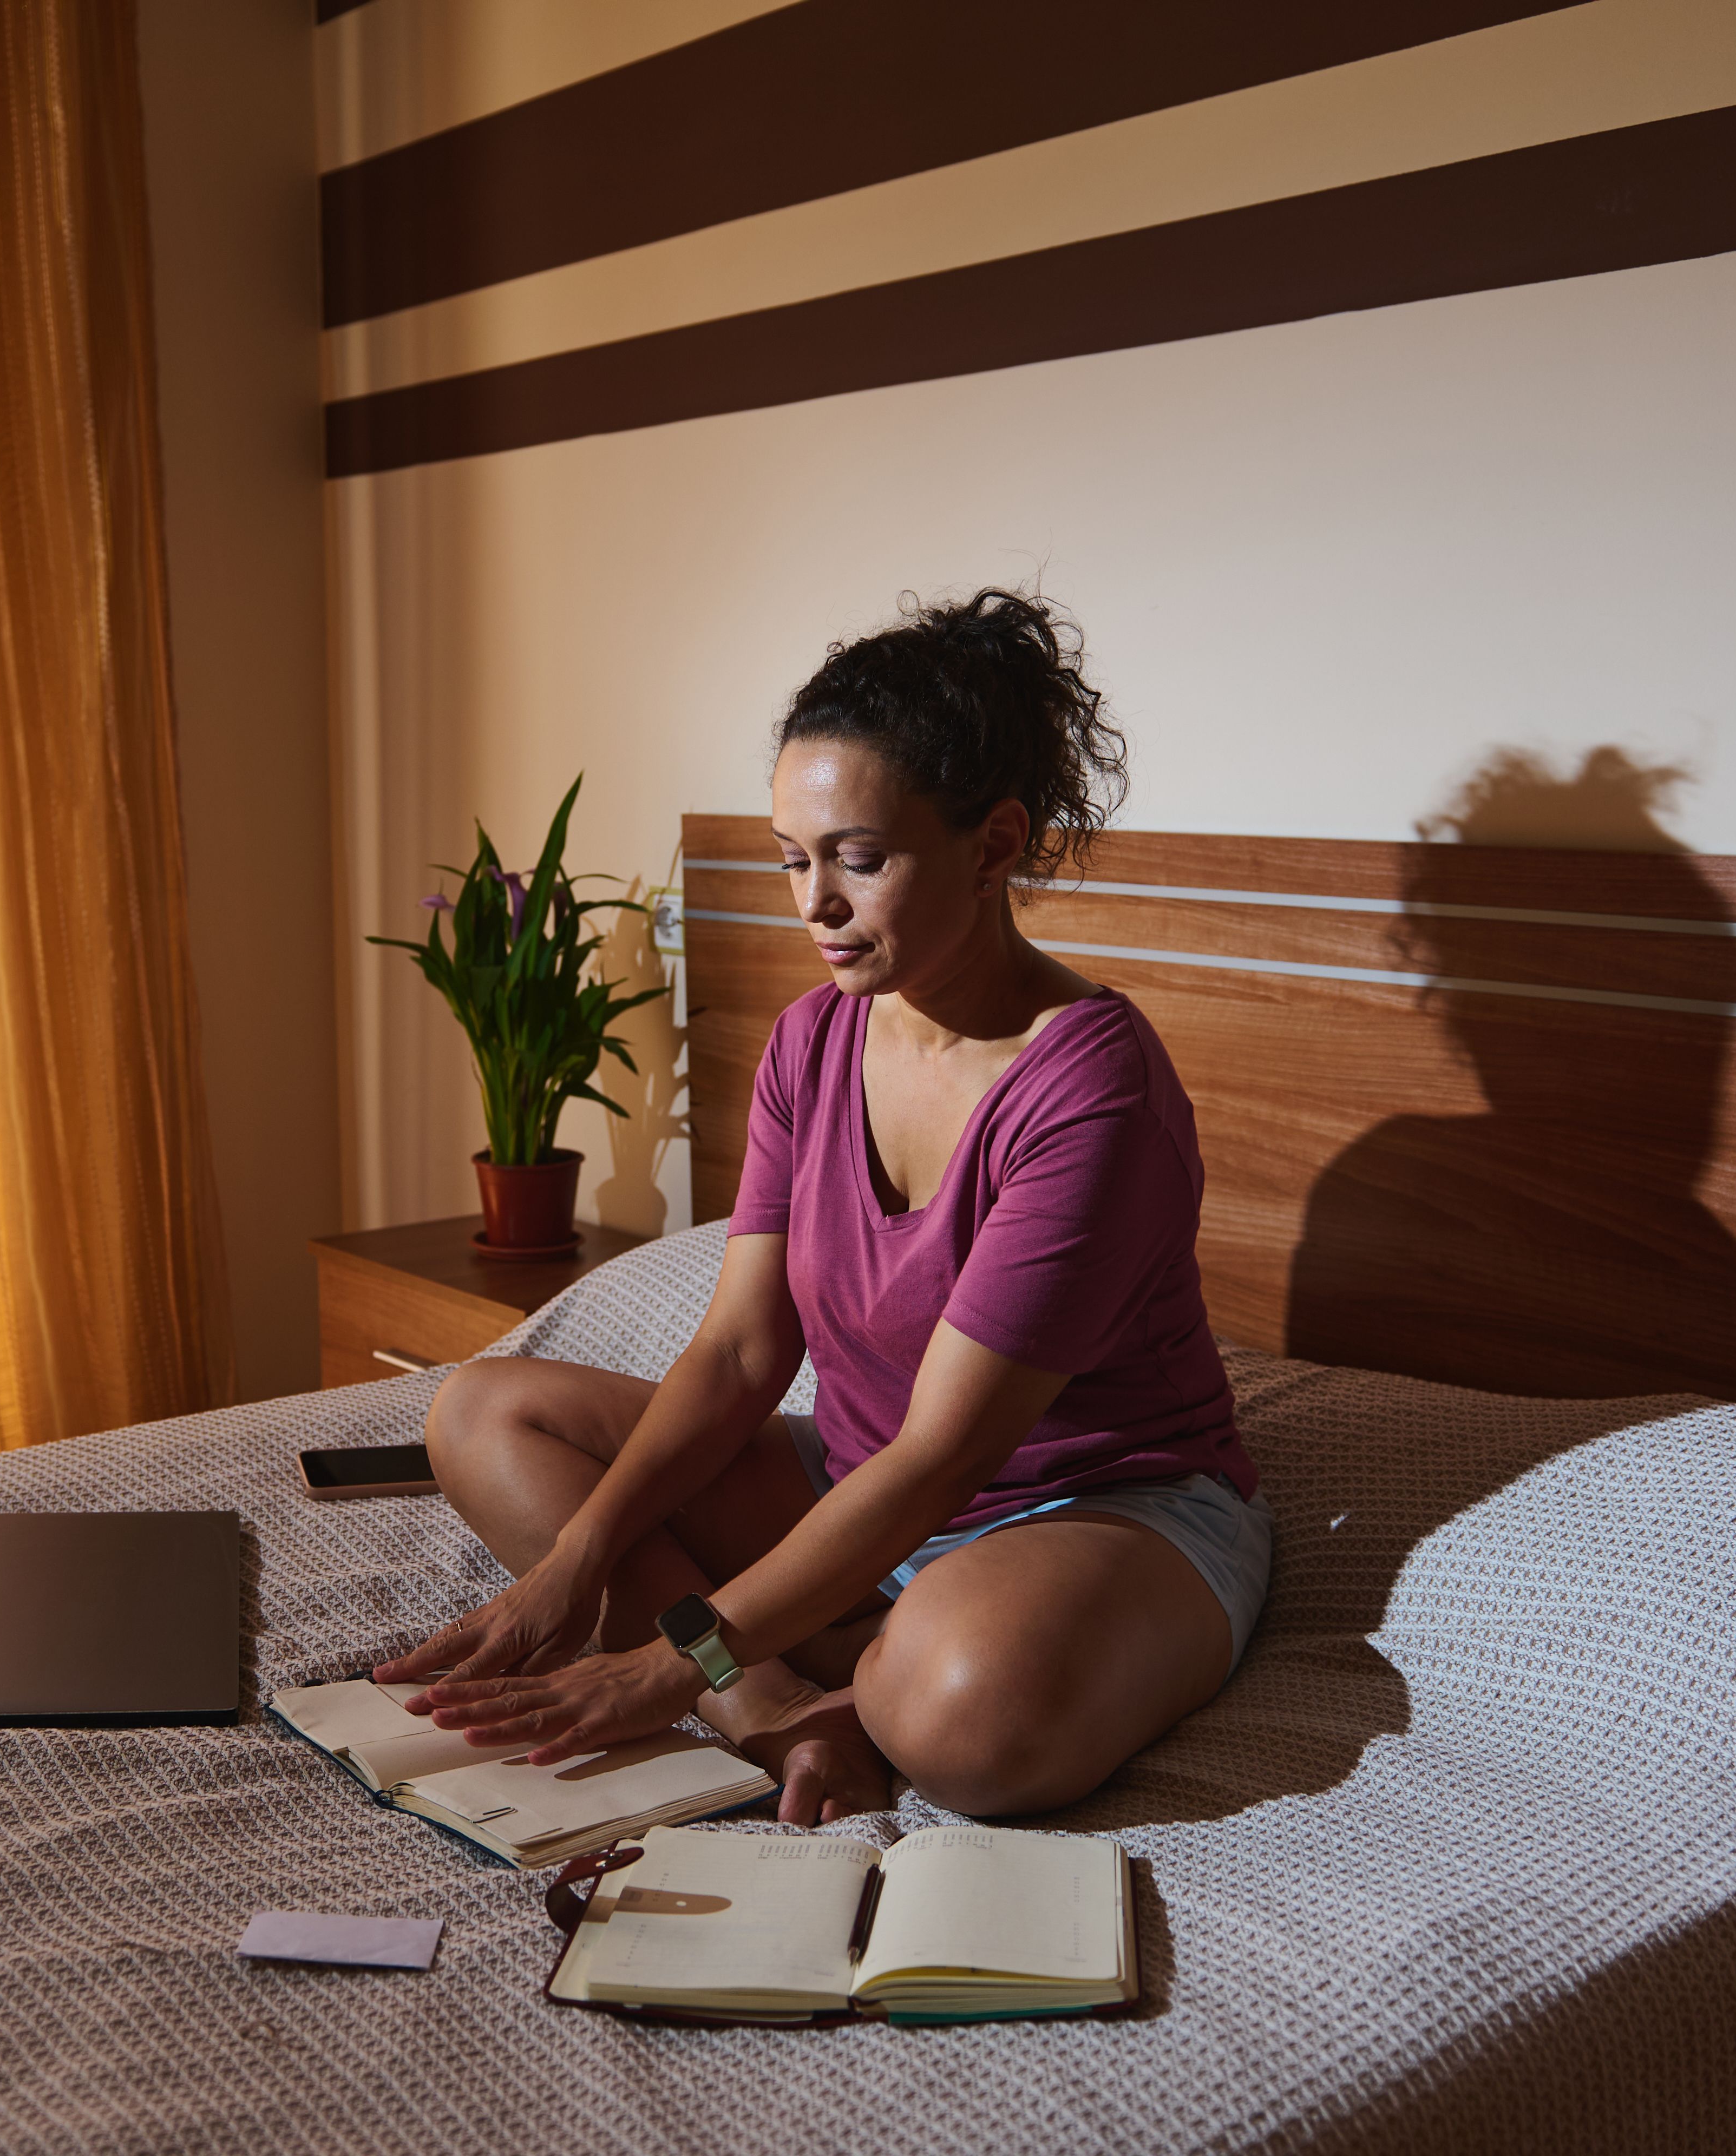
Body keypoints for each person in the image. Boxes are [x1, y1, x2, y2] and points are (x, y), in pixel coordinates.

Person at [375, 590, 1269, 1823]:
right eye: (793, 859)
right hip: (860, 1482)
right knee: (482, 1412)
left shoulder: (1093, 1092)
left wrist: (662, 1664)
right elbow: (742, 1351)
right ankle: (781, 1710)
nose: (814, 904)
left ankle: (856, 1673)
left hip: (1093, 1511)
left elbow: (946, 1455)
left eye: (859, 858)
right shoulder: (810, 1041)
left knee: (963, 1717)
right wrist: (574, 1564)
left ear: (994, 846)